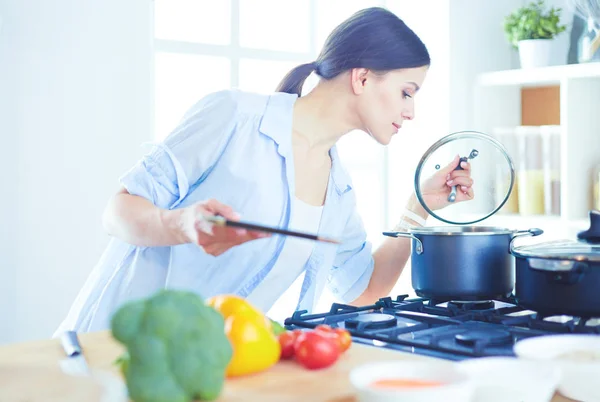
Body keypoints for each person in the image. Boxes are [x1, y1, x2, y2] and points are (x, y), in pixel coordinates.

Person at [54, 7, 474, 334]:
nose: (411, 111)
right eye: (406, 92)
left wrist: (419, 206)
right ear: (362, 78)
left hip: (200, 373)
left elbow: (362, 290)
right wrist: (181, 223)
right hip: (107, 351)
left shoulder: (339, 191)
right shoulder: (235, 117)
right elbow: (118, 212)